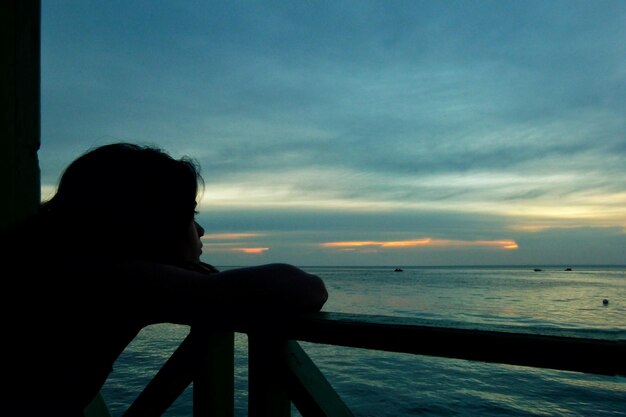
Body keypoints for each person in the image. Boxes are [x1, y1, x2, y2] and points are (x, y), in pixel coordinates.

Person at [1, 142, 328, 417]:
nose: (200, 231)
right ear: (153, 223)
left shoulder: (51, 263)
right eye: (191, 216)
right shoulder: (117, 279)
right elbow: (305, 289)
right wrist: (204, 286)